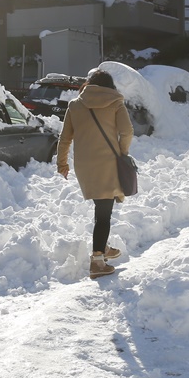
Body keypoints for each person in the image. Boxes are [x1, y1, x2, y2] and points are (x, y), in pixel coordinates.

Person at [56, 68, 134, 279]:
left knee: (102, 206)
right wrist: (122, 151)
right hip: (107, 163)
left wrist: (62, 163)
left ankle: (103, 247)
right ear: (109, 86)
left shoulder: (75, 105)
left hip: (85, 165)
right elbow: (127, 131)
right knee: (104, 212)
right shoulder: (116, 102)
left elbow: (65, 138)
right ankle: (98, 261)